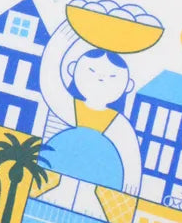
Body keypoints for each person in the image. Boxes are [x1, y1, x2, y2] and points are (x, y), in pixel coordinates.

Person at [39, 18, 142, 196]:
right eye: (91, 71)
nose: (101, 78)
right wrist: (65, 34)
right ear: (72, 69)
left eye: (112, 77)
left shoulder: (117, 124)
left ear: (128, 86)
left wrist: (129, 193)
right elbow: (50, 78)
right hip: (53, 177)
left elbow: (130, 158)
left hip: (99, 187)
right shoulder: (71, 108)